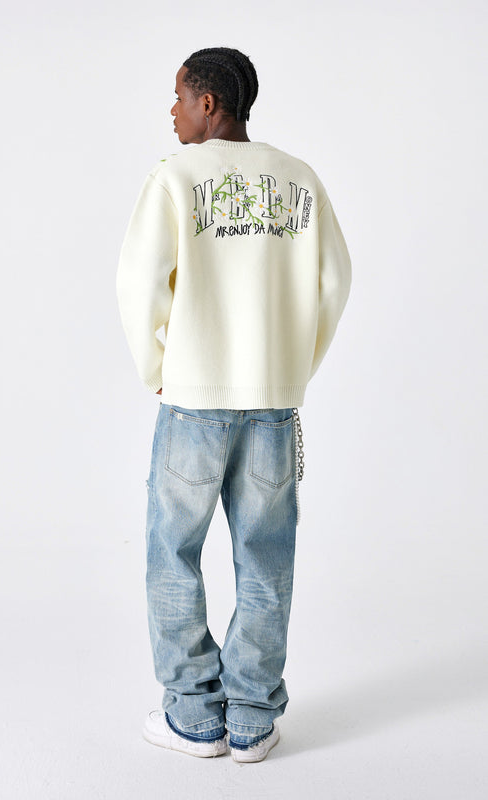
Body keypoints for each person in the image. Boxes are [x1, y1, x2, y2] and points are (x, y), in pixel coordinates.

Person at [116, 46, 351, 763]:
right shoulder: (298, 178)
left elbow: (138, 283)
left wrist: (157, 368)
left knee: (172, 554)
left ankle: (193, 715)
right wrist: (292, 370)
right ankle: (249, 719)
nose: (173, 111)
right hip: (273, 403)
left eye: (179, 97)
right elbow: (335, 282)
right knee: (266, 557)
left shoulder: (176, 177)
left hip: (194, 401)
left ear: (208, 102)